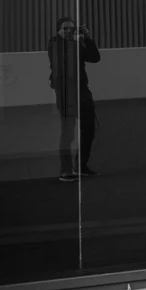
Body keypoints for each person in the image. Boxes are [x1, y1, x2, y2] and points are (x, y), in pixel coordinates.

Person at [48, 17, 101, 182]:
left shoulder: (76, 44)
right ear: (58, 31)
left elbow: (94, 57)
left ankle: (81, 165)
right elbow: (64, 58)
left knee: (89, 130)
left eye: (71, 29)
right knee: (68, 132)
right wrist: (77, 41)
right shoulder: (55, 44)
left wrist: (87, 38)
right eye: (65, 29)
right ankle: (65, 170)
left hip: (82, 91)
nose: (68, 32)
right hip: (65, 93)